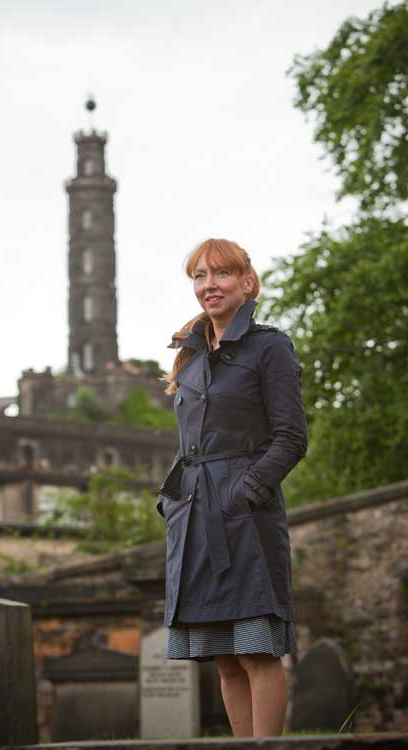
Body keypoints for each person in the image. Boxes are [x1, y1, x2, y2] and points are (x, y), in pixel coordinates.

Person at [156, 238, 308, 738]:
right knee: (223, 657)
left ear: (247, 282)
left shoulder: (270, 346)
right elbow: (188, 445)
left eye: (220, 274)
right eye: (199, 276)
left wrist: (243, 492)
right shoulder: (190, 357)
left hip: (245, 515)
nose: (209, 285)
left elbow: (290, 438)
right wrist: (171, 499)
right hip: (195, 517)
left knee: (256, 651)